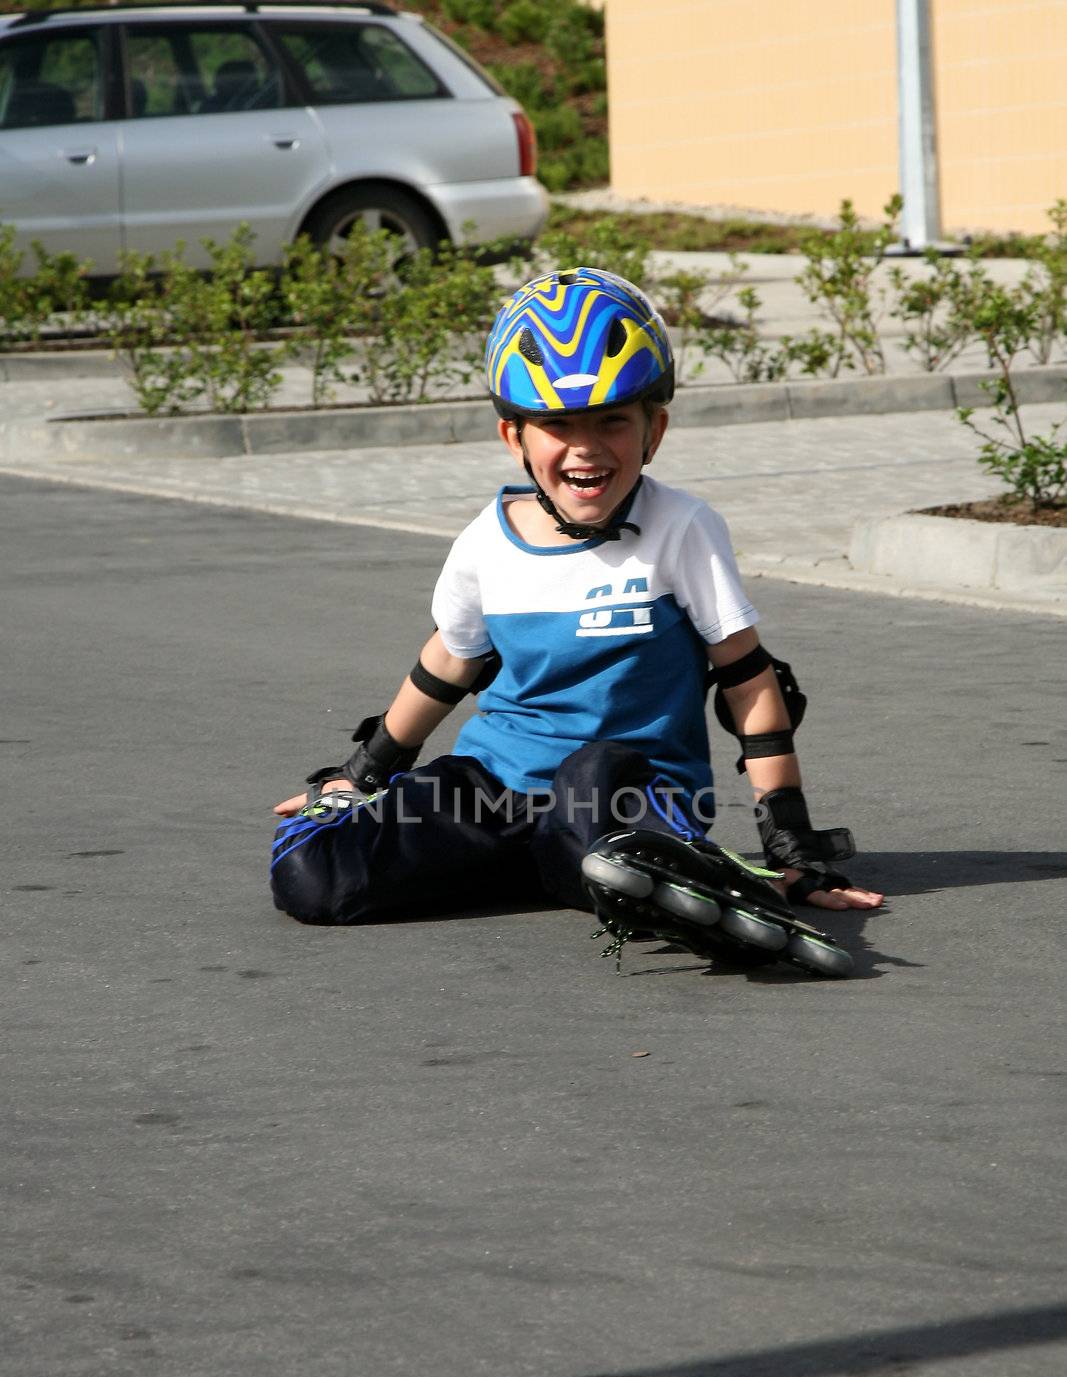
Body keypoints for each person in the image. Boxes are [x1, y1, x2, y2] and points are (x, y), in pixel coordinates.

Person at [272, 268, 883, 975]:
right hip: (496, 788)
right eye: (557, 424)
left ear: (654, 428)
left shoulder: (679, 528)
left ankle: (675, 878)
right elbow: (445, 665)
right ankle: (563, 870)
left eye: (611, 421)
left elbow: (749, 682)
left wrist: (792, 848)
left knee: (594, 784)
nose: (585, 447)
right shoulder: (483, 542)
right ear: (515, 436)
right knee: (317, 875)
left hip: (623, 797)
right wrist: (358, 777)